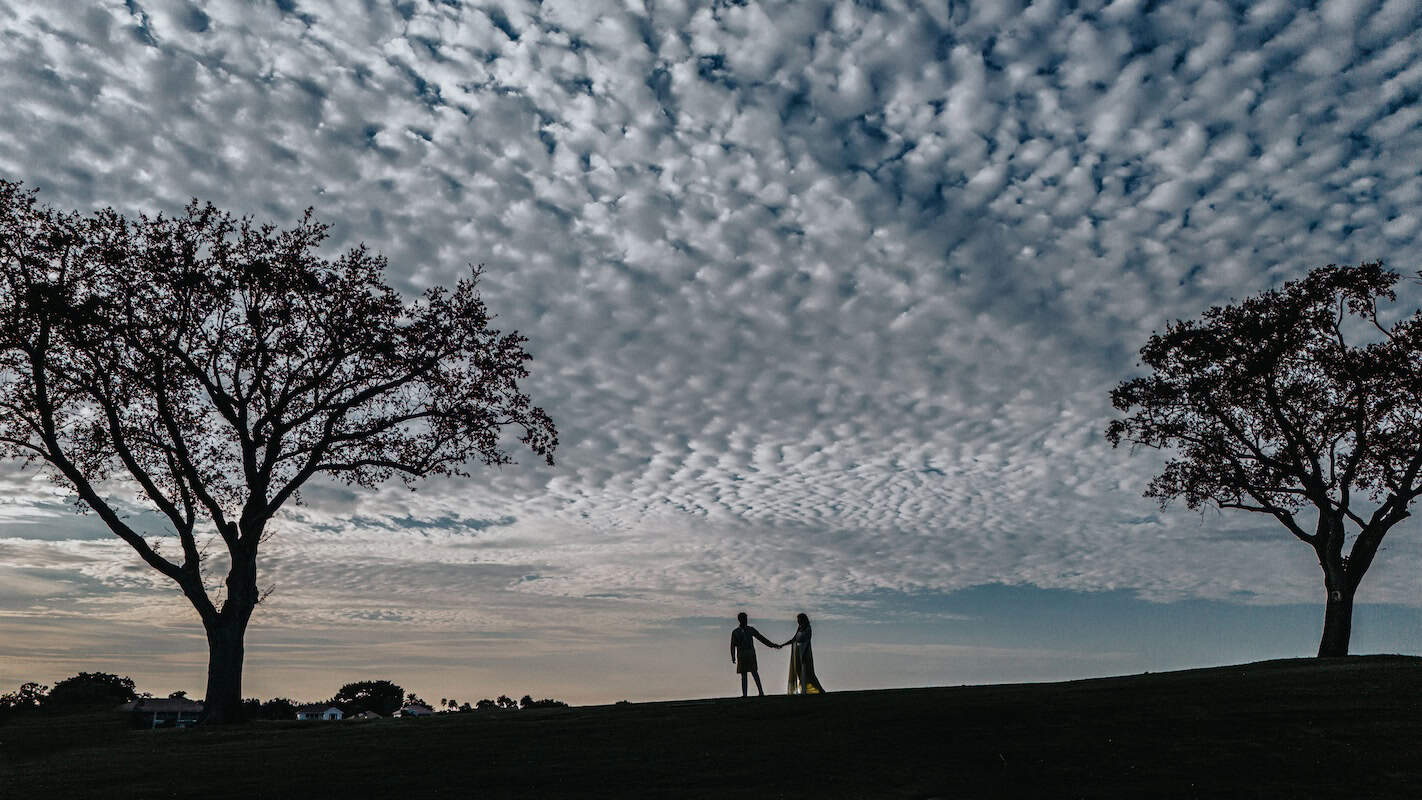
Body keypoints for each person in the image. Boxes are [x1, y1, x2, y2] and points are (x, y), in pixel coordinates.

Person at [730, 612, 780, 697]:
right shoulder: (736, 632)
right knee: (744, 674)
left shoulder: (749, 630)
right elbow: (732, 645)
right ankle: (745, 694)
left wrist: (772, 645)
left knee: (754, 673)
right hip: (742, 654)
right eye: (744, 619)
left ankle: (760, 692)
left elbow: (761, 638)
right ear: (740, 620)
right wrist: (733, 656)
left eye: (745, 619)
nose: (745, 621)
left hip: (750, 653)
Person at [783, 613, 826, 694]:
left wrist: (803, 654)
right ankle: (804, 689)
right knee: (799, 671)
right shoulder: (799, 628)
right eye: (797, 620)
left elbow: (807, 641)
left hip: (805, 652)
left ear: (803, 619)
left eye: (799, 619)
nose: (798, 621)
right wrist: (782, 645)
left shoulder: (808, 628)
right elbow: (794, 639)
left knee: (809, 673)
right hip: (798, 652)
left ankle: (820, 690)